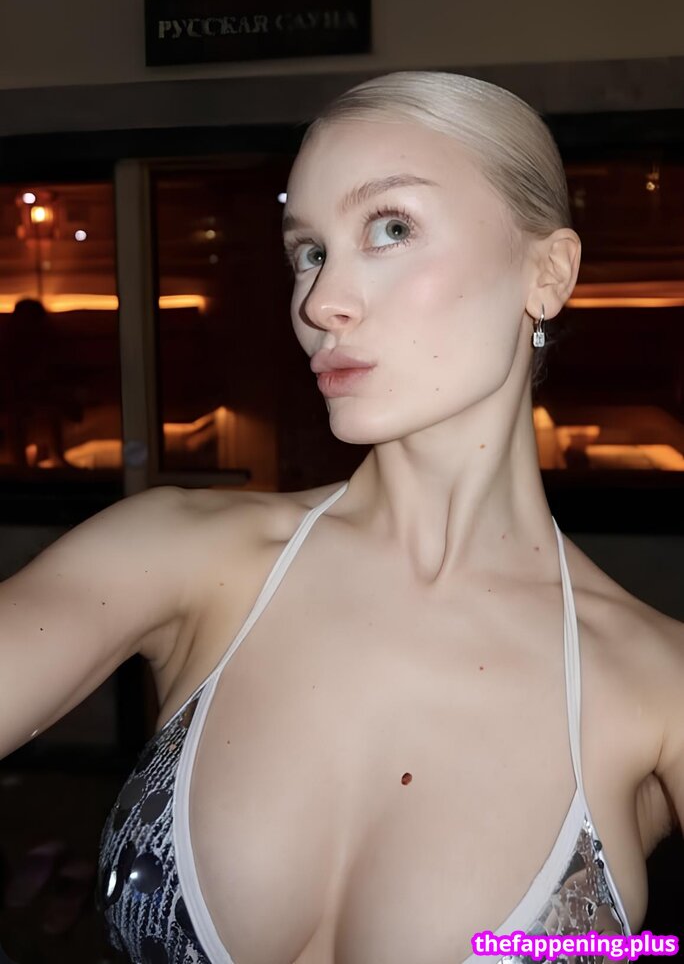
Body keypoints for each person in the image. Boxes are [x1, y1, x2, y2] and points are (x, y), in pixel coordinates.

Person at [2, 72, 683, 964]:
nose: (319, 302)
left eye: (391, 228)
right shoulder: (178, 554)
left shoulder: (656, 684)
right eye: (310, 251)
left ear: (547, 274)